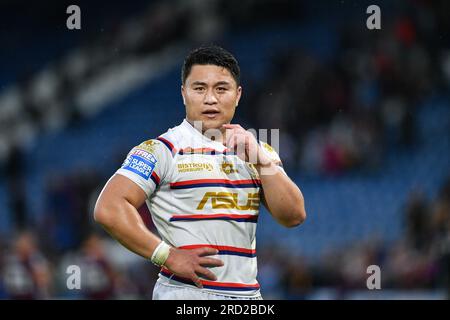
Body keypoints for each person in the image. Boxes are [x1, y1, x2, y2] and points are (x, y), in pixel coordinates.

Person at [94, 45, 306, 300]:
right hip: (186, 294)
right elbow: (108, 208)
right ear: (184, 93)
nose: (210, 99)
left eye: (221, 89)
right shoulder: (163, 149)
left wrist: (261, 161)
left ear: (238, 95)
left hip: (248, 297)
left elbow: (293, 216)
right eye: (199, 88)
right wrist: (166, 254)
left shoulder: (259, 150)